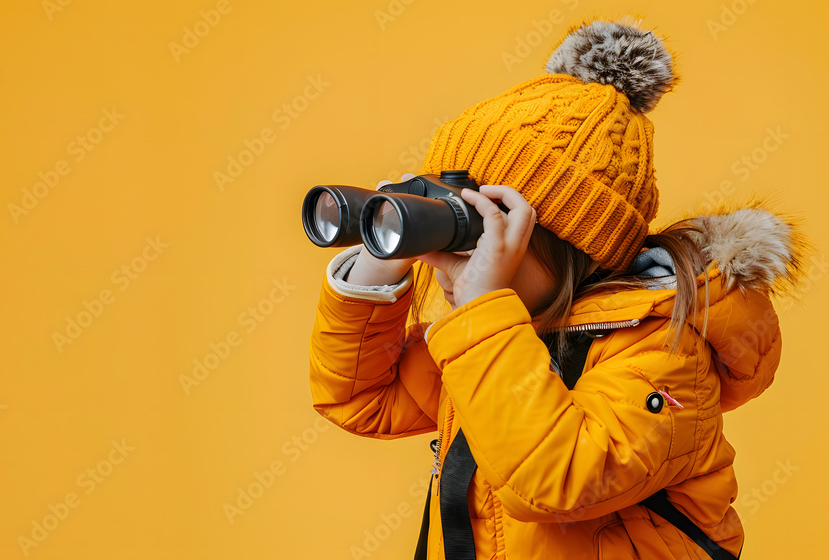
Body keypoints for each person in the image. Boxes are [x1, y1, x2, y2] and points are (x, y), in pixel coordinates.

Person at [306, 16, 813, 559]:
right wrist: (381, 262)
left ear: (569, 246)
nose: (455, 268)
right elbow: (360, 398)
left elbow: (561, 479)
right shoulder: (500, 334)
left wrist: (482, 310)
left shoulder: (664, 356)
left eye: (478, 238)